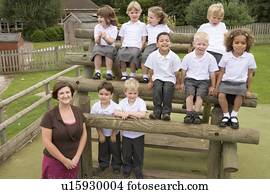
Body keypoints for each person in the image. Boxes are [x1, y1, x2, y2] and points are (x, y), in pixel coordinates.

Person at [41, 81, 87, 179]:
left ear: (71, 94)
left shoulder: (78, 111)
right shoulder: (49, 116)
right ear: (56, 96)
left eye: (67, 92)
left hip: (73, 161)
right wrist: (64, 160)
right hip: (55, 162)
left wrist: (77, 157)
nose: (65, 95)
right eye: (61, 93)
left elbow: (84, 134)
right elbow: (46, 142)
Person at [216, 28, 256, 129]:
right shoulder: (226, 56)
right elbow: (221, 72)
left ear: (247, 44)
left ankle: (234, 115)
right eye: (236, 42)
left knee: (240, 95)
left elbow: (250, 74)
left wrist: (249, 89)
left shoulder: (249, 57)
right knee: (221, 95)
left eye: (243, 43)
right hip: (226, 82)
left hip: (240, 83)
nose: (239, 45)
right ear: (231, 43)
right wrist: (217, 87)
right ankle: (226, 115)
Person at [180, 32, 219, 124]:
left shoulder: (210, 58)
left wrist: (212, 86)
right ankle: (189, 114)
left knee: (199, 96)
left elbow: (212, 73)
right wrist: (182, 83)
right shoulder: (188, 57)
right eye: (199, 44)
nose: (201, 46)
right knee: (190, 95)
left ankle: (196, 114)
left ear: (207, 45)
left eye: (204, 44)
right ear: (194, 44)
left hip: (203, 81)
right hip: (190, 80)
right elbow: (183, 71)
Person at [114, 78, 147, 179]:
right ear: (125, 92)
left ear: (138, 93)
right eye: (130, 93)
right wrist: (123, 113)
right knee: (126, 153)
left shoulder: (140, 102)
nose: (132, 96)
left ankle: (138, 169)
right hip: (126, 134)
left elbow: (142, 114)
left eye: (135, 93)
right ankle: (127, 168)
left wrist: (129, 113)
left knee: (138, 153)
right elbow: (116, 112)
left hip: (138, 134)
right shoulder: (123, 102)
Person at [145, 32, 181, 121]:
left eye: (167, 40)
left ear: (170, 43)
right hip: (157, 77)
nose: (164, 42)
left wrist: (178, 83)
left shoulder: (174, 57)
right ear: (157, 44)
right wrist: (150, 81)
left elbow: (177, 72)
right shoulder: (153, 55)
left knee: (167, 89)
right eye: (161, 41)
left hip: (170, 78)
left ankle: (166, 112)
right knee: (157, 89)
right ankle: (157, 111)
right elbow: (151, 70)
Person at [90, 81, 122, 173]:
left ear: (111, 95)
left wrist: (113, 134)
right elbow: (95, 121)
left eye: (106, 94)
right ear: (98, 94)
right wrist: (100, 134)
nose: (103, 96)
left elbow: (116, 122)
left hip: (114, 132)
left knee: (115, 149)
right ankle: (103, 164)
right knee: (103, 149)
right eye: (101, 94)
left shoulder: (116, 107)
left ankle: (116, 166)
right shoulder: (95, 107)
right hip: (102, 132)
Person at [116, 1, 147, 81]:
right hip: (126, 45)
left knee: (134, 55)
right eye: (132, 12)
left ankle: (132, 74)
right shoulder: (125, 25)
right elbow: (122, 38)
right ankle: (124, 73)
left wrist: (141, 48)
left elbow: (144, 39)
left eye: (136, 12)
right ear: (128, 13)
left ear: (140, 13)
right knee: (120, 54)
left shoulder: (142, 25)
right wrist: (123, 45)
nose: (134, 14)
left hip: (136, 46)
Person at [140, 6, 172, 83]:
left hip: (162, 45)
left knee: (162, 58)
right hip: (151, 45)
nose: (148, 19)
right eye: (148, 17)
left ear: (158, 19)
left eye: (151, 17)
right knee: (144, 56)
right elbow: (143, 35)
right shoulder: (147, 27)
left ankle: (161, 74)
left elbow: (170, 33)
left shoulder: (163, 26)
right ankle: (145, 75)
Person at [91, 5, 118, 80]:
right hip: (100, 47)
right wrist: (99, 37)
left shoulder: (113, 28)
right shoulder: (97, 27)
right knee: (97, 52)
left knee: (109, 52)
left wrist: (105, 37)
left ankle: (109, 72)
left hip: (110, 47)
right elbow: (97, 41)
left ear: (109, 18)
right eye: (98, 17)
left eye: (101, 17)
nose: (99, 19)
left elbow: (111, 42)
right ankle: (97, 72)